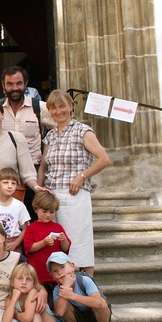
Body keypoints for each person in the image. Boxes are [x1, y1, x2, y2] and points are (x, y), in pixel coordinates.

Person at [38, 89, 111, 276]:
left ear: (71, 106)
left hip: (75, 194)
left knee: (79, 242)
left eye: (62, 106)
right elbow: (44, 167)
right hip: (52, 197)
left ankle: (87, 285)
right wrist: (40, 191)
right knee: (56, 243)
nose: (58, 111)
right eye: (53, 107)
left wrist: (82, 176)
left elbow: (104, 159)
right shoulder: (51, 135)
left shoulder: (82, 131)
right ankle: (61, 289)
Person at [0, 66, 54, 219]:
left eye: (19, 83)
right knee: (9, 218)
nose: (15, 88)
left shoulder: (39, 107)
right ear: (3, 85)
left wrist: (49, 154)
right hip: (7, 174)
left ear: (26, 84)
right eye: (10, 84)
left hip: (35, 172)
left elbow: (61, 128)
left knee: (34, 216)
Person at [2, 262, 88, 322]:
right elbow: (6, 321)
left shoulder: (33, 292)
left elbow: (28, 318)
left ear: (34, 283)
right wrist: (14, 299)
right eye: (19, 279)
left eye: (28, 279)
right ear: (12, 282)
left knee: (35, 311)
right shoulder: (11, 298)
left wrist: (16, 314)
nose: (24, 282)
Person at [47, 252, 114, 322]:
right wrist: (66, 287)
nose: (60, 272)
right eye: (55, 271)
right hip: (78, 320)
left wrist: (71, 295)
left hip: (96, 317)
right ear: (52, 276)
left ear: (72, 266)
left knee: (102, 303)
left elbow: (98, 303)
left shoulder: (84, 280)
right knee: (62, 303)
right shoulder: (57, 290)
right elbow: (60, 312)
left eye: (62, 267)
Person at [22, 191, 71, 296]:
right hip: (38, 275)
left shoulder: (58, 227)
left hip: (57, 276)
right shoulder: (31, 228)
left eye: (52, 212)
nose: (48, 215)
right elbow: (29, 248)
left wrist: (64, 240)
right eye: (44, 211)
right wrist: (43, 243)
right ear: (36, 209)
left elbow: (65, 249)